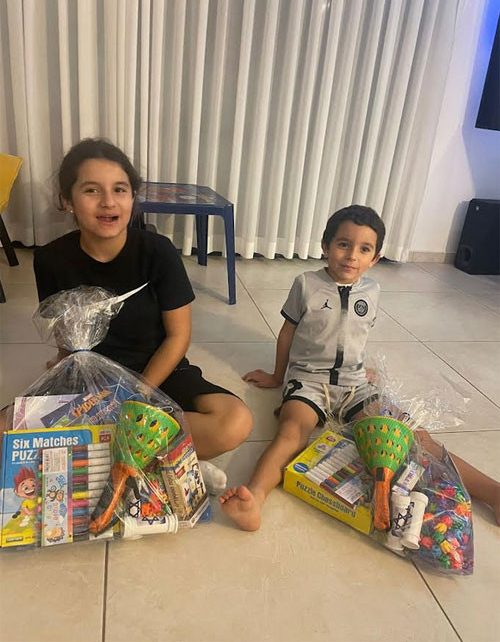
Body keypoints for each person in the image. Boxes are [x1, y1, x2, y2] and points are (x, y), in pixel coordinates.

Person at [219, 205, 500, 530]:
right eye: (343, 244)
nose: (352, 255)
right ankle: (254, 498)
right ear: (325, 246)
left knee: (409, 435)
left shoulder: (372, 291)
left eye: (364, 249)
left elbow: (353, 333)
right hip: (308, 381)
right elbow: (287, 333)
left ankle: (492, 492)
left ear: (375, 258)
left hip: (355, 384)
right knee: (292, 433)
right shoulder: (306, 284)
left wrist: (362, 368)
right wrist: (277, 376)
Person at [32, 138, 252, 485]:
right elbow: (65, 335)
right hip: (90, 379)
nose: (108, 202)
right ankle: (161, 458)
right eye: (91, 190)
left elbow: (178, 336)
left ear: (132, 198)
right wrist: (62, 369)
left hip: (157, 372)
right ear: (67, 200)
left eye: (120, 189)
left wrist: (139, 396)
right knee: (5, 431)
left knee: (234, 422)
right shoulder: (49, 259)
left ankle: (110, 451)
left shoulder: (158, 252)